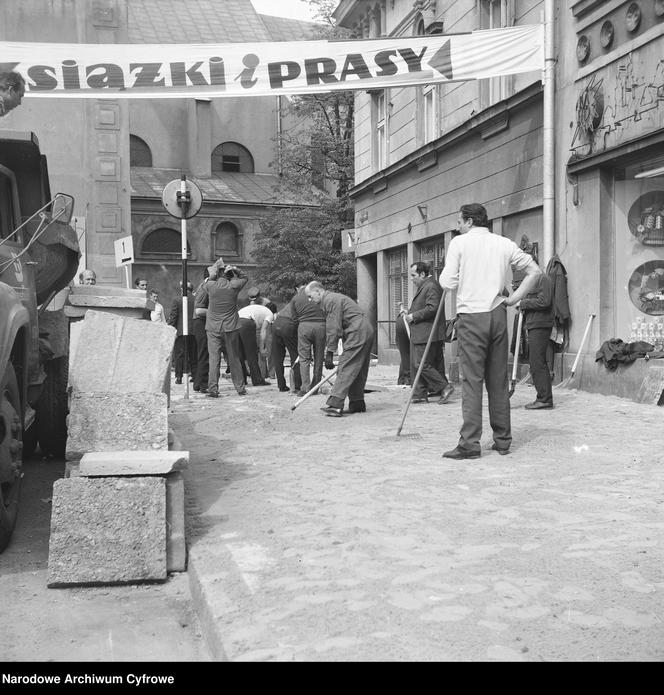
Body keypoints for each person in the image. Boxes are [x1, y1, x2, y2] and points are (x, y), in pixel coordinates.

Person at [439, 203, 541, 460]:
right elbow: (535, 271)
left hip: (472, 317)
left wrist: (460, 274)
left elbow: (447, 282)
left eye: (460, 221)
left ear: (470, 222)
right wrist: (514, 298)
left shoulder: (459, 244)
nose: (458, 226)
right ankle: (503, 440)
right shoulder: (504, 243)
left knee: (472, 381)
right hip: (497, 314)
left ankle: (470, 444)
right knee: (498, 380)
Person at [305, 281, 374, 417]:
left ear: (318, 291)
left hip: (357, 331)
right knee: (358, 368)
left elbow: (333, 328)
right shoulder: (335, 298)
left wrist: (330, 352)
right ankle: (357, 403)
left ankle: (335, 404)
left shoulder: (329, 300)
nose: (309, 300)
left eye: (310, 296)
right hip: (365, 329)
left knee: (346, 367)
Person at [404, 261, 454, 405]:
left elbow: (433, 308)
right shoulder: (428, 285)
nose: (412, 279)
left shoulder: (431, 285)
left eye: (413, 276)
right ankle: (420, 393)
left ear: (422, 274)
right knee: (426, 363)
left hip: (427, 333)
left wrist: (413, 316)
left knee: (421, 363)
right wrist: (410, 313)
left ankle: (444, 387)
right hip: (426, 332)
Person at [196, 260, 248, 398]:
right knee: (234, 358)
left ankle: (213, 389)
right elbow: (245, 277)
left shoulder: (211, 285)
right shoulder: (234, 286)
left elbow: (206, 282)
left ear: (217, 273)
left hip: (213, 327)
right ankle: (240, 388)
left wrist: (213, 273)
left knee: (214, 359)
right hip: (231, 327)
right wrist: (235, 269)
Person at [518, 260, 555, 410]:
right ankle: (543, 397)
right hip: (534, 324)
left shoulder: (543, 279)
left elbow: (544, 302)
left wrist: (523, 304)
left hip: (541, 324)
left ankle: (545, 399)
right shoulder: (533, 281)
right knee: (536, 362)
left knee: (537, 362)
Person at [292, 279, 326, 397]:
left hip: (304, 327)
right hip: (321, 326)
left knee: (304, 358)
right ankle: (315, 387)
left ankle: (305, 388)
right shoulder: (320, 296)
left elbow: (294, 317)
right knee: (319, 358)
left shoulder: (296, 298)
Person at [271, 292, 302, 393]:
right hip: (288, 324)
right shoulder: (305, 302)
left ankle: (281, 386)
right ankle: (297, 386)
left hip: (276, 324)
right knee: (295, 356)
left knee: (278, 357)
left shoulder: (293, 300)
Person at [168, 281, 198, 385]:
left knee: (179, 355)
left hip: (181, 332)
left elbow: (173, 316)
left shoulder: (177, 300)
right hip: (194, 331)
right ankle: (194, 376)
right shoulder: (196, 300)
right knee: (193, 354)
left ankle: (179, 377)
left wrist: (171, 328)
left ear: (182, 289)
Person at [239, 300, 274, 382]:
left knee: (240, 352)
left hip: (235, 320)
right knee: (251, 353)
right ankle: (257, 380)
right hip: (246, 322)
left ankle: (242, 379)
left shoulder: (258, 309)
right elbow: (263, 331)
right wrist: (262, 348)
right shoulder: (270, 314)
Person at [192, 270, 210, 393]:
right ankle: (203, 384)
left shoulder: (203, 286)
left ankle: (198, 383)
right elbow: (199, 310)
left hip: (201, 323)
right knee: (204, 353)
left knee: (202, 354)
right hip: (201, 322)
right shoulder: (204, 288)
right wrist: (216, 312)